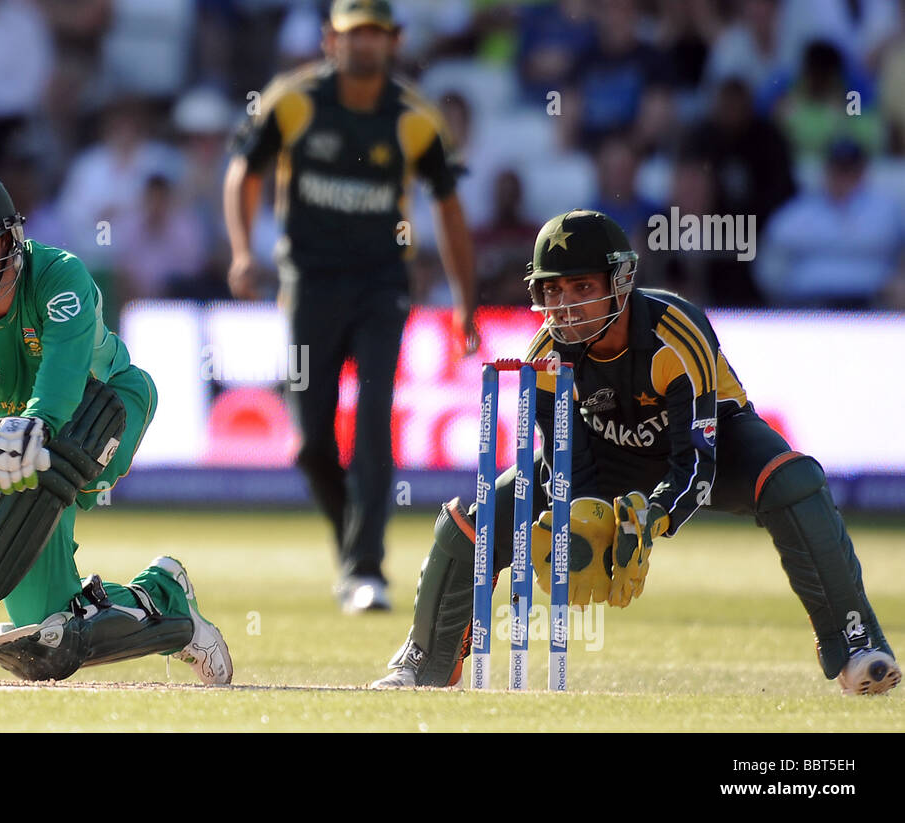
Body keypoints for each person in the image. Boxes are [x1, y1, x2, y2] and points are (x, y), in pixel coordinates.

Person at [371, 208, 900, 696]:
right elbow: (567, 468)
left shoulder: (674, 332)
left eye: (581, 288)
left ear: (621, 284)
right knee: (480, 516)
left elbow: (695, 463)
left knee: (791, 479)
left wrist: (650, 520)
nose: (565, 306)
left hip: (716, 444)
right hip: (605, 457)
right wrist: (581, 522)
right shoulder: (547, 356)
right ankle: (424, 661)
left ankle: (856, 644)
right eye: (552, 292)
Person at [0, 171, 232, 685]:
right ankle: (167, 604)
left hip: (108, 407)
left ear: (9, 241)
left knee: (48, 449)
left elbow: (65, 379)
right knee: (51, 638)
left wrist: (30, 428)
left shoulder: (59, 276)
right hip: (34, 465)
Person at [224, 0, 479, 613]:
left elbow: (447, 208)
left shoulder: (416, 117)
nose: (362, 45)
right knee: (310, 443)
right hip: (308, 283)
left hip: (380, 285)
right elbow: (244, 172)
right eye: (351, 33)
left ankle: (367, 568)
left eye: (374, 34)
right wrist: (240, 250)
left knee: (372, 421)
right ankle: (352, 549)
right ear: (328, 39)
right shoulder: (293, 101)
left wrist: (466, 301)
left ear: (393, 40)